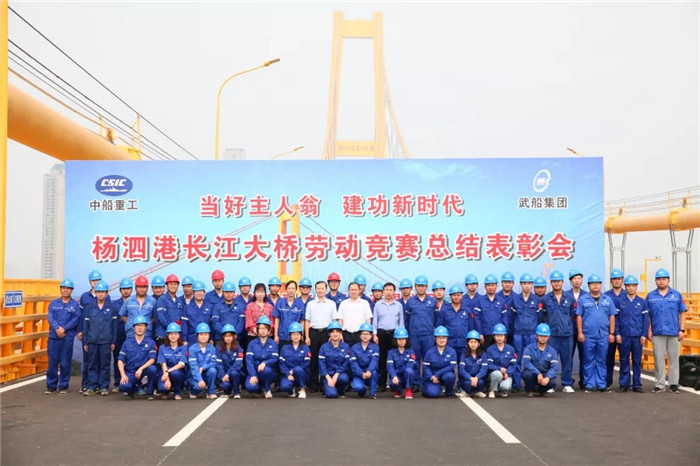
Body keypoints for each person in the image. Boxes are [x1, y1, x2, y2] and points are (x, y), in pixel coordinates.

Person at [646, 268, 687, 394]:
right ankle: (659, 384)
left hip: (674, 332)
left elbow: (682, 312)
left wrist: (682, 329)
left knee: (674, 359)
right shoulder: (651, 296)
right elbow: (647, 315)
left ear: (668, 280)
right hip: (657, 331)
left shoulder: (676, 295)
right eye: (659, 279)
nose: (661, 281)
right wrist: (649, 330)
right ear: (655, 281)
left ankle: (674, 383)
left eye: (664, 279)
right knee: (658, 359)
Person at [576, 274, 616, 393]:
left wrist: (611, 333)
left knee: (601, 360)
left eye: (597, 283)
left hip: (603, 335)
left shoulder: (607, 299)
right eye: (592, 284)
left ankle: (601, 384)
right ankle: (589, 384)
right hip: (588, 335)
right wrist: (580, 333)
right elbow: (579, 316)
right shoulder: (583, 299)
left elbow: (612, 316)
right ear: (588, 285)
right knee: (588, 360)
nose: (595, 286)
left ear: (601, 285)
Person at [540, 270, 576, 393]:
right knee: (550, 361)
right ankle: (551, 384)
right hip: (552, 335)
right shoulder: (546, 299)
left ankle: (567, 383)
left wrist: (565, 325)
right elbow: (543, 316)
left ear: (562, 282)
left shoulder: (570, 298)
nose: (556, 283)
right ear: (551, 283)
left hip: (566, 334)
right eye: (554, 281)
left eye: (558, 281)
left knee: (567, 360)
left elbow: (572, 314)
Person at [83, 281, 118, 396]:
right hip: (92, 341)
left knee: (105, 364)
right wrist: (85, 342)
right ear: (95, 293)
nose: (100, 294)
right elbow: (86, 326)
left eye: (103, 292)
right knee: (92, 364)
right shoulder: (90, 308)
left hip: (106, 341)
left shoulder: (111, 307)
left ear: (107, 293)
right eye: (98, 292)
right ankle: (92, 386)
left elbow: (114, 326)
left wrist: (113, 341)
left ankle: (103, 386)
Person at [46, 279, 81, 394]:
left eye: (68, 288)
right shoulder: (53, 304)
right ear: (60, 289)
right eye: (63, 288)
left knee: (65, 363)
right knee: (52, 362)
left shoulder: (75, 305)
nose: (65, 290)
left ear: (71, 290)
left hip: (67, 337)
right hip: (54, 337)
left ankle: (63, 386)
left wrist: (64, 329)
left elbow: (75, 319)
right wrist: (57, 329)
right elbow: (51, 318)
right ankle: (51, 386)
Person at [616, 275, 649, 393]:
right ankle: (624, 383)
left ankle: (637, 384)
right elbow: (616, 319)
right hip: (624, 336)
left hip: (637, 336)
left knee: (637, 361)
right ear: (625, 287)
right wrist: (617, 334)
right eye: (628, 286)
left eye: (633, 286)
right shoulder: (620, 302)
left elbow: (645, 320)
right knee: (624, 360)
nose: (631, 288)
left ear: (636, 287)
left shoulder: (642, 302)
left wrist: (644, 334)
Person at [304, 281, 337, 392]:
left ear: (326, 290)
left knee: (326, 358)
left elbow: (334, 321)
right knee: (313, 358)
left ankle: (324, 382)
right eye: (318, 288)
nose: (320, 290)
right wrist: (307, 336)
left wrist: (332, 335)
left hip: (326, 333)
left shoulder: (331, 304)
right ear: (315, 290)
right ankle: (313, 382)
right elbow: (307, 321)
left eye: (322, 288)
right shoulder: (310, 304)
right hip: (313, 333)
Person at [78, 270, 107, 393]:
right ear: (90, 282)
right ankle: (86, 384)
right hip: (88, 333)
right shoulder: (84, 297)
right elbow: (81, 316)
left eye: (98, 280)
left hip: (102, 334)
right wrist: (80, 331)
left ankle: (100, 385)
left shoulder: (106, 297)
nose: (96, 282)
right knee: (88, 361)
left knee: (102, 361)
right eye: (93, 280)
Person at [372, 282, 404, 391]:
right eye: (386, 290)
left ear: (394, 292)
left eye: (391, 290)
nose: (388, 292)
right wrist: (374, 334)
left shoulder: (398, 305)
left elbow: (401, 323)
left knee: (395, 359)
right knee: (381, 360)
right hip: (381, 334)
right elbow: (375, 321)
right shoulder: (378, 305)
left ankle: (394, 383)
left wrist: (401, 336)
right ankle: (382, 383)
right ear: (383, 292)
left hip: (394, 335)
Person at [437, 284, 479, 365]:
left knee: (463, 365)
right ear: (450, 296)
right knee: (448, 366)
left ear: (461, 296)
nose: (456, 297)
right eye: (454, 295)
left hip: (464, 344)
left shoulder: (467, 310)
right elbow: (440, 326)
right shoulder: (444, 310)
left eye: (458, 295)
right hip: (449, 344)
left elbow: (471, 328)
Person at [117, 316, 157, 399]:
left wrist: (141, 369)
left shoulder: (151, 342)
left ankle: (150, 392)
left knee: (153, 369)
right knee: (123, 386)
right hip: (131, 372)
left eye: (142, 325)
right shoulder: (127, 343)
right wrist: (123, 375)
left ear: (146, 328)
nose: (140, 328)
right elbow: (120, 360)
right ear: (134, 327)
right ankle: (133, 389)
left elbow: (152, 359)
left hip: (144, 372)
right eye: (137, 325)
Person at [511, 273, 539, 391]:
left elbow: (539, 316)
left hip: (532, 334)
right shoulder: (515, 299)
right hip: (518, 334)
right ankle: (516, 384)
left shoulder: (536, 299)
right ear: (521, 285)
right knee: (517, 359)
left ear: (532, 285)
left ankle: (532, 384)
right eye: (524, 283)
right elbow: (511, 317)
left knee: (533, 359)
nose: (527, 286)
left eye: (529, 283)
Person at [405, 275, 439, 364]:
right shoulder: (410, 301)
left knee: (428, 360)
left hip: (428, 336)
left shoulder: (433, 301)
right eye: (418, 286)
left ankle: (427, 374)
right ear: (415, 286)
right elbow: (407, 320)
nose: (421, 288)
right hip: (414, 336)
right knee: (414, 361)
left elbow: (436, 319)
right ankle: (416, 374)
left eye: (423, 286)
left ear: (426, 287)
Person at [245, 315, 279, 398]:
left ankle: (267, 389)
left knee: (266, 370)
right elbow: (249, 360)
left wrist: (265, 363)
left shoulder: (273, 343)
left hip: (269, 372)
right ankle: (258, 389)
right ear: (257, 330)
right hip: (255, 371)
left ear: (269, 330)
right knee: (250, 387)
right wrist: (253, 375)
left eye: (265, 328)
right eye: (260, 328)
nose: (263, 330)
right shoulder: (252, 344)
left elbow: (275, 359)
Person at [522, 323, 559, 397]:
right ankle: (530, 390)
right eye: (541, 336)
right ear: (536, 336)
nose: (543, 338)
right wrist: (538, 373)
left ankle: (541, 390)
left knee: (552, 382)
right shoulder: (529, 348)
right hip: (533, 374)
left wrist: (548, 377)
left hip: (545, 374)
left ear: (549, 337)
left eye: (545, 336)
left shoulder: (552, 351)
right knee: (527, 375)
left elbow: (554, 367)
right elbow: (526, 363)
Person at [566, 269, 588, 389]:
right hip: (569, 331)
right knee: (568, 357)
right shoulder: (565, 295)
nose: (577, 281)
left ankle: (583, 381)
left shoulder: (587, 295)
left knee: (584, 357)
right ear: (571, 281)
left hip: (583, 331)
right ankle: (568, 381)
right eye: (574, 279)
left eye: (579, 278)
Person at [422, 326, 457, 398]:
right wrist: (431, 377)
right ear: (435, 339)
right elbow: (425, 367)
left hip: (445, 374)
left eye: (443, 337)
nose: (441, 340)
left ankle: (449, 391)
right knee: (433, 394)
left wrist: (438, 374)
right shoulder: (429, 352)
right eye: (439, 338)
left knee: (450, 376)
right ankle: (430, 388)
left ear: (447, 338)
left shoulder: (452, 351)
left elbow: (451, 367)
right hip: (433, 376)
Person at [474, 274, 507, 349]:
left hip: (499, 334)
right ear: (485, 287)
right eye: (488, 285)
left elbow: (505, 318)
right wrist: (480, 333)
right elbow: (477, 318)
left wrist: (505, 333)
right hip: (485, 334)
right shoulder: (479, 301)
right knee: (485, 353)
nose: (490, 287)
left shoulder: (502, 301)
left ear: (496, 286)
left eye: (493, 285)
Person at [318, 321, 351, 398]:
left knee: (344, 378)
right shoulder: (324, 347)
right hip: (328, 375)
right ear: (329, 334)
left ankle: (341, 390)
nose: (335, 334)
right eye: (332, 332)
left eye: (337, 332)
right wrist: (328, 378)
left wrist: (336, 375)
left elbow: (346, 363)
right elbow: (321, 365)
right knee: (331, 394)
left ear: (340, 333)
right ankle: (328, 388)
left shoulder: (346, 346)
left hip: (340, 374)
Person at [604, 268, 625, 389]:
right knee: (608, 358)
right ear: (611, 281)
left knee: (624, 359)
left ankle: (624, 383)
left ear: (622, 280)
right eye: (614, 279)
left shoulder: (627, 295)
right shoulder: (606, 296)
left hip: (624, 332)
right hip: (610, 332)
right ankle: (607, 381)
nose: (617, 281)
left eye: (619, 279)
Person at [335, 282, 373, 347]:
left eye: (355, 290)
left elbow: (368, 320)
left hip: (360, 335)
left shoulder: (365, 303)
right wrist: (340, 333)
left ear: (359, 290)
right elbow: (340, 320)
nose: (353, 292)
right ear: (349, 291)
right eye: (352, 290)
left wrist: (367, 334)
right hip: (346, 335)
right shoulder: (343, 303)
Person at [279, 322, 311, 398]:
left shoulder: (305, 348)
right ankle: (291, 391)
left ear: (301, 336)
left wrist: (293, 371)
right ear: (290, 336)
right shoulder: (285, 348)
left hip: (302, 375)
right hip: (289, 374)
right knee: (284, 387)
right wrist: (288, 374)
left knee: (298, 369)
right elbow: (282, 364)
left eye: (297, 334)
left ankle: (302, 389)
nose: (295, 337)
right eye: (293, 335)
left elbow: (306, 363)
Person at [187, 323, 219, 399]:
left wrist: (203, 367)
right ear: (197, 336)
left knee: (213, 370)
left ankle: (211, 392)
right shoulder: (192, 348)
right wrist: (200, 380)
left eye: (206, 334)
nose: (203, 336)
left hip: (206, 373)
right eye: (201, 334)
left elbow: (214, 362)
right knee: (199, 387)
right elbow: (193, 367)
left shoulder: (212, 348)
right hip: (193, 375)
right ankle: (193, 391)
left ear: (209, 336)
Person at [111, 278, 132, 392]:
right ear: (120, 290)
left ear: (131, 290)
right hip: (118, 335)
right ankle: (118, 382)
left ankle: (130, 382)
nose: (126, 291)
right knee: (118, 359)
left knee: (131, 360)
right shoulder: (114, 304)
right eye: (124, 289)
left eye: (128, 288)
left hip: (132, 336)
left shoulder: (135, 302)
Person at [119, 275, 156, 340]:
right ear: (135, 288)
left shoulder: (152, 301)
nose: (142, 289)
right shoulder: (129, 300)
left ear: (147, 288)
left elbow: (155, 317)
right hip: (131, 334)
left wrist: (147, 324)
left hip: (147, 334)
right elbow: (122, 316)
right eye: (139, 287)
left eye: (144, 287)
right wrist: (131, 322)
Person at [157, 322, 187, 400]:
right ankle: (166, 392)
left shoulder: (183, 348)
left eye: (175, 334)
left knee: (176, 373)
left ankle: (177, 392)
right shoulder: (162, 348)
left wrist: (168, 372)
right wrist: (167, 378)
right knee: (162, 388)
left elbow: (181, 364)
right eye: (171, 334)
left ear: (179, 335)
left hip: (177, 372)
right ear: (167, 335)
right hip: (164, 372)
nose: (173, 336)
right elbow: (163, 364)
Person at [485, 323, 517, 398]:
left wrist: (507, 373)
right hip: (494, 374)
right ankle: (492, 390)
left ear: (505, 336)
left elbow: (513, 365)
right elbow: (489, 364)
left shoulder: (510, 349)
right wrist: (499, 369)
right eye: (497, 335)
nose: (499, 338)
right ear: (494, 336)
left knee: (506, 387)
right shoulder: (490, 349)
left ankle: (502, 390)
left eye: (501, 335)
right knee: (497, 374)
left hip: (506, 374)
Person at [350, 322, 380, 399]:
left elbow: (374, 361)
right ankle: (362, 391)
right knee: (358, 387)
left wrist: (369, 371)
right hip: (359, 374)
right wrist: (361, 373)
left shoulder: (375, 347)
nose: (365, 336)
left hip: (371, 373)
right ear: (360, 335)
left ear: (371, 335)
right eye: (363, 334)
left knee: (374, 372)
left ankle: (372, 393)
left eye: (367, 334)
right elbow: (353, 363)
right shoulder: (354, 348)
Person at [212, 281, 245, 346]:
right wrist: (224, 334)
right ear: (223, 292)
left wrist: (234, 334)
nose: (229, 294)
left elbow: (241, 323)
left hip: (235, 338)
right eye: (226, 292)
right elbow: (215, 322)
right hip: (220, 338)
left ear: (234, 293)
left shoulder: (240, 306)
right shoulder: (217, 306)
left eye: (231, 292)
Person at [387, 327, 416, 399]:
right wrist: (394, 376)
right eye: (399, 339)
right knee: (392, 382)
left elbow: (410, 365)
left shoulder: (411, 351)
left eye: (403, 339)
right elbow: (390, 366)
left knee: (409, 371)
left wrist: (397, 371)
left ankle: (408, 389)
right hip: (397, 376)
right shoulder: (391, 352)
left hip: (406, 375)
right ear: (395, 340)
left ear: (406, 340)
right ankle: (398, 390)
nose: (401, 341)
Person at [155, 274, 184, 347]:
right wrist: (173, 329)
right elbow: (162, 318)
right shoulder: (162, 300)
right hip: (163, 336)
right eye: (171, 284)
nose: (173, 286)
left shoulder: (179, 301)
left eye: (175, 284)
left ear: (178, 286)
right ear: (167, 286)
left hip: (175, 337)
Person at [273, 280, 303, 348]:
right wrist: (276, 335)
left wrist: (302, 335)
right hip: (282, 336)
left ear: (296, 290)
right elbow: (277, 319)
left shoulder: (300, 304)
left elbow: (302, 321)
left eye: (293, 288)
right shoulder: (280, 302)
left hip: (295, 337)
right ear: (286, 289)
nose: (291, 290)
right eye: (289, 288)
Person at [182, 281, 213, 347]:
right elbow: (184, 325)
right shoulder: (187, 308)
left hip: (206, 339)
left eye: (201, 291)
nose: (199, 293)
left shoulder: (209, 307)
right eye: (197, 291)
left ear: (204, 293)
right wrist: (184, 340)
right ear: (193, 293)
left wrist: (212, 338)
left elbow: (212, 325)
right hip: (192, 339)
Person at [217, 324, 244, 399]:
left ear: (234, 337)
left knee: (234, 373)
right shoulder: (219, 349)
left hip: (235, 374)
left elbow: (237, 364)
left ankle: (236, 391)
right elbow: (219, 365)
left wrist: (228, 374)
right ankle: (228, 391)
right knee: (225, 385)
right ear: (223, 337)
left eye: (230, 336)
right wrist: (223, 376)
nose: (228, 338)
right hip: (224, 375)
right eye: (226, 336)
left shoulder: (239, 348)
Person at [458, 330, 488, 398]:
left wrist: (476, 378)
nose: (473, 344)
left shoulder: (483, 355)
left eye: (475, 342)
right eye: (471, 342)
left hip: (478, 379)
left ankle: (477, 392)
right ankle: (468, 392)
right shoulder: (463, 355)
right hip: (467, 379)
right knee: (467, 383)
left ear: (479, 343)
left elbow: (484, 370)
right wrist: (471, 378)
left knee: (480, 383)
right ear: (467, 343)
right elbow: (461, 370)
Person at [496, 271, 516, 346]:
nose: (507, 284)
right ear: (501, 283)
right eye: (505, 282)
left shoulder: (517, 298)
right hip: (498, 333)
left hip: (513, 331)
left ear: (513, 283)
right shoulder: (496, 297)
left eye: (509, 282)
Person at [234, 276, 254, 351]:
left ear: (250, 287)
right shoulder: (234, 301)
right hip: (238, 335)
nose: (245, 288)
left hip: (252, 334)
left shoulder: (254, 300)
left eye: (247, 286)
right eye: (242, 286)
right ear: (239, 288)